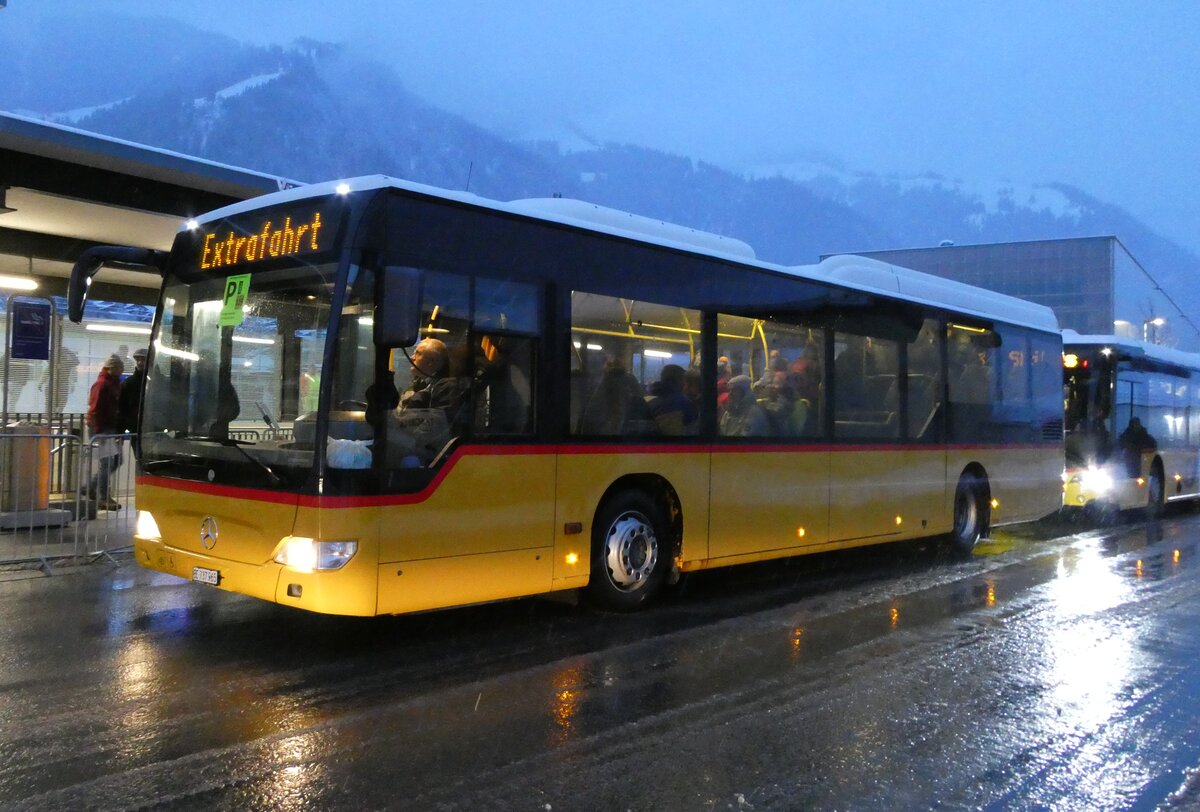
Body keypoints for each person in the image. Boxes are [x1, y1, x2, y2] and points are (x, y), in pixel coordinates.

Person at [86, 354, 124, 510]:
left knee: (116, 461)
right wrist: (97, 432)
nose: (122, 371)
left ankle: (91, 486)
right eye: (119, 368)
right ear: (111, 368)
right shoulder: (101, 385)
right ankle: (104, 497)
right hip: (102, 429)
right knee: (107, 463)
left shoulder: (114, 384)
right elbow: (94, 409)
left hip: (110, 428)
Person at [646, 363, 698, 435]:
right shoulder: (684, 403)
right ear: (679, 380)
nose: (684, 384)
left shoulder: (649, 401)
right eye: (684, 380)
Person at [118, 347, 147, 434]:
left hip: (154, 427)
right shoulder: (128, 383)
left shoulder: (159, 381)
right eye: (138, 360)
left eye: (143, 360)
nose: (140, 363)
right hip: (135, 427)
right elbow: (122, 407)